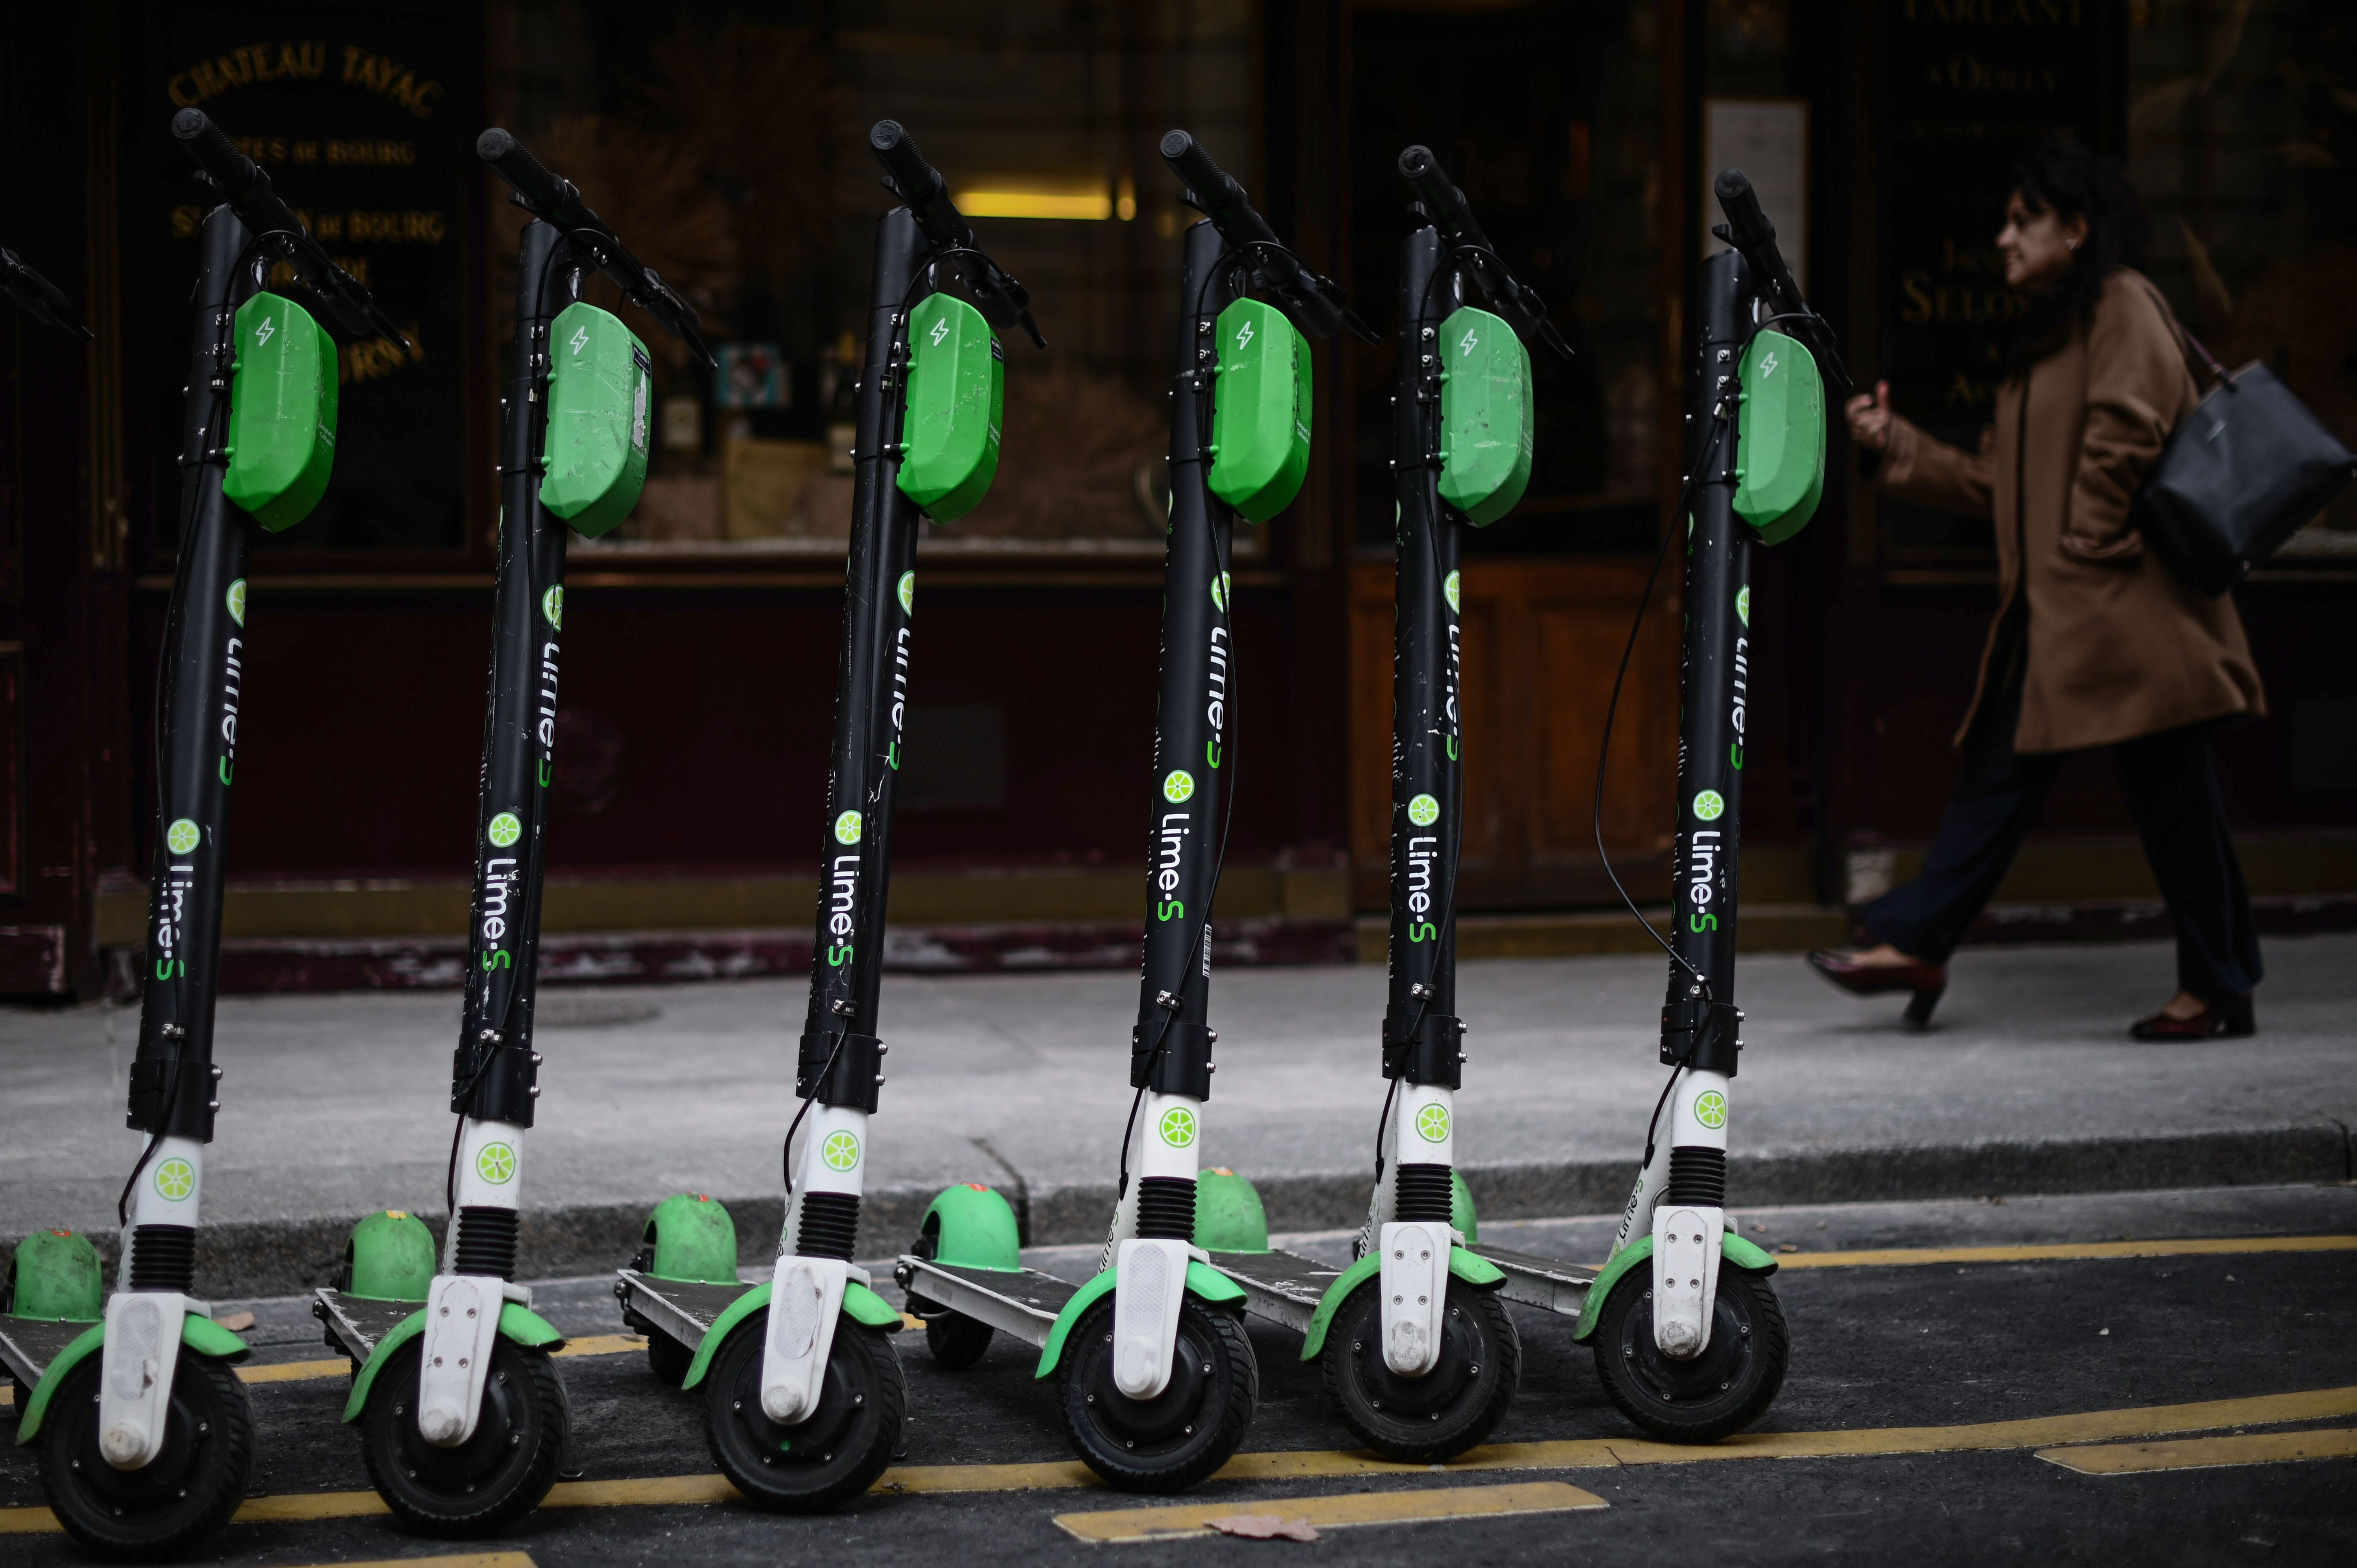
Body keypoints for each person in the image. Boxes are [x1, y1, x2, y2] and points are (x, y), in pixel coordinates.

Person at [1810, 141, 2266, 1040]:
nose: (2002, 239)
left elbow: (2128, 428)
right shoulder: (2050, 338)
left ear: (2077, 227)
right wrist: (1894, 445)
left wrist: (2086, 535)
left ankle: (1930, 938)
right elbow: (1995, 484)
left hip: (2121, 614)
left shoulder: (2121, 303)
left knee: (2163, 802)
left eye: (2023, 220)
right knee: (2052, 787)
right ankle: (1928, 937)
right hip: (2065, 616)